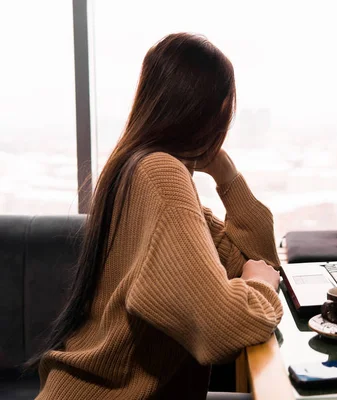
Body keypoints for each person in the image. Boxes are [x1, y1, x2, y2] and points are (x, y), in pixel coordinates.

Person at [27, 32, 283, 399]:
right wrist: (259, 285)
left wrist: (226, 175)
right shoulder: (161, 176)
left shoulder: (136, 167)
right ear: (219, 108)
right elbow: (221, 328)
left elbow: (251, 257)